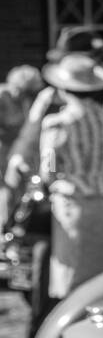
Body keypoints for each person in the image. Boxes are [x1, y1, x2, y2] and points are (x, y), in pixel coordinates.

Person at [4, 28, 103, 192]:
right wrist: (18, 159)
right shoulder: (48, 98)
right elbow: (29, 137)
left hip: (81, 190)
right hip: (78, 192)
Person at [34, 54, 103, 300]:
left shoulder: (58, 123)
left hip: (73, 204)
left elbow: (47, 169)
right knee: (101, 275)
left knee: (72, 275)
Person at [0, 65, 43, 222]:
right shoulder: (2, 96)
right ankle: (4, 225)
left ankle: (17, 223)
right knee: (5, 188)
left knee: (22, 187)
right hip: (3, 148)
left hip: (20, 149)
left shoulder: (26, 100)